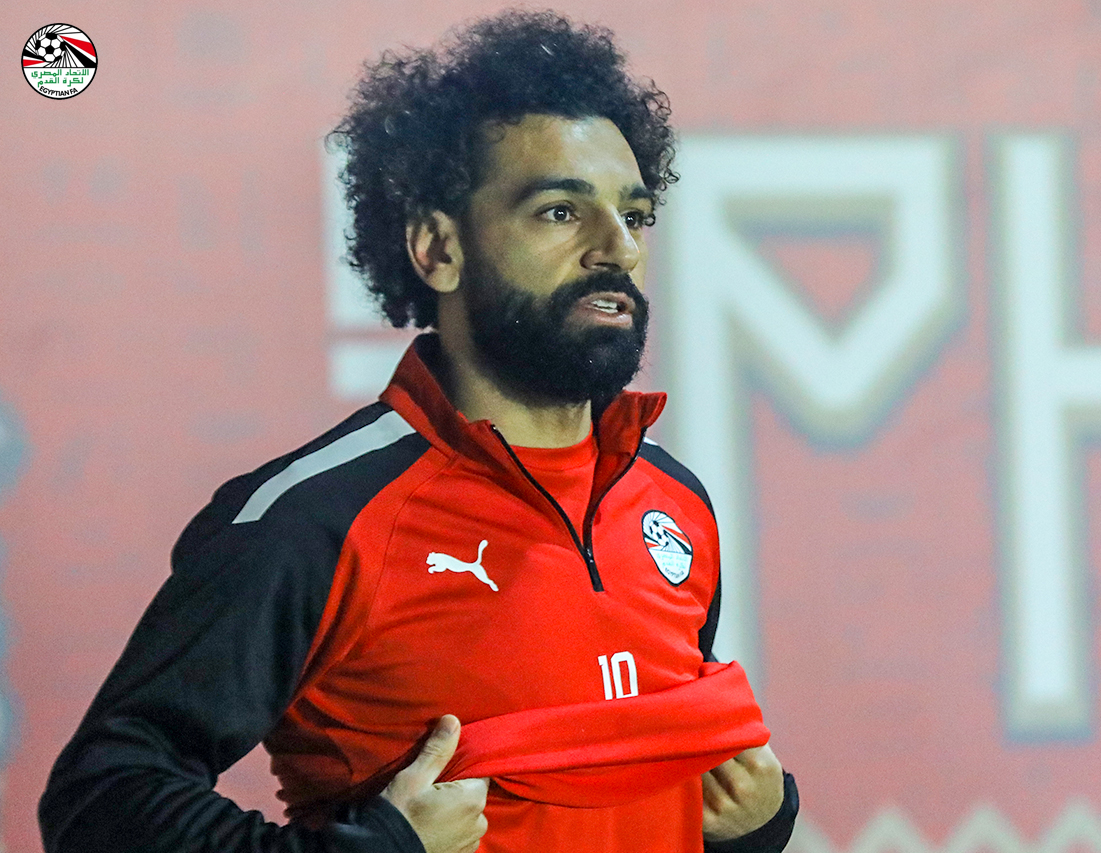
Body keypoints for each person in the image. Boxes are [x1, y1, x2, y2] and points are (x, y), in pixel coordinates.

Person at [39, 10, 799, 853]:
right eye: (560, 211)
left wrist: (756, 829)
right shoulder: (312, 519)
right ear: (439, 248)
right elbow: (102, 795)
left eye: (634, 213)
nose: (617, 247)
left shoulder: (674, 500)